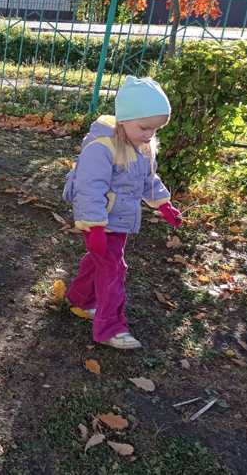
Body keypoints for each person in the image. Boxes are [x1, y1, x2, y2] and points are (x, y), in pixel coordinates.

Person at [63, 76, 183, 350]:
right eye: (144, 127)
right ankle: (110, 328)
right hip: (101, 222)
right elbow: (89, 188)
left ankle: (80, 299)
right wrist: (94, 228)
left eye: (155, 129)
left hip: (119, 221)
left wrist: (163, 204)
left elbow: (148, 180)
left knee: (99, 262)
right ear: (124, 120)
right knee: (114, 270)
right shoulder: (102, 148)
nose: (149, 134)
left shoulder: (141, 147)